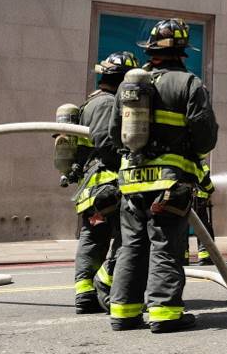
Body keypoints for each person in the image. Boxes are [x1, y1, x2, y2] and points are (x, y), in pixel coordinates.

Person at [108, 19, 218, 333]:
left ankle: (124, 312)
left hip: (130, 183)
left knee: (131, 247)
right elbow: (205, 138)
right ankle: (165, 313)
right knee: (165, 247)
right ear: (183, 51)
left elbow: (116, 136)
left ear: (151, 50)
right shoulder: (189, 84)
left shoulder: (128, 88)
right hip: (169, 183)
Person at [70, 51, 138, 314]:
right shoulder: (109, 104)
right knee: (125, 239)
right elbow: (107, 145)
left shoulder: (89, 103)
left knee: (92, 238)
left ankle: (84, 292)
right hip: (109, 185)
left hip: (91, 187)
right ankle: (104, 284)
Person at [191, 161, 216, 266]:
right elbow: (205, 179)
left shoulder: (183, 160)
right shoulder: (200, 163)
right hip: (198, 199)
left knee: (182, 228)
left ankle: (183, 257)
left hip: (185, 198)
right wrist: (211, 189)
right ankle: (205, 257)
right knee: (203, 227)